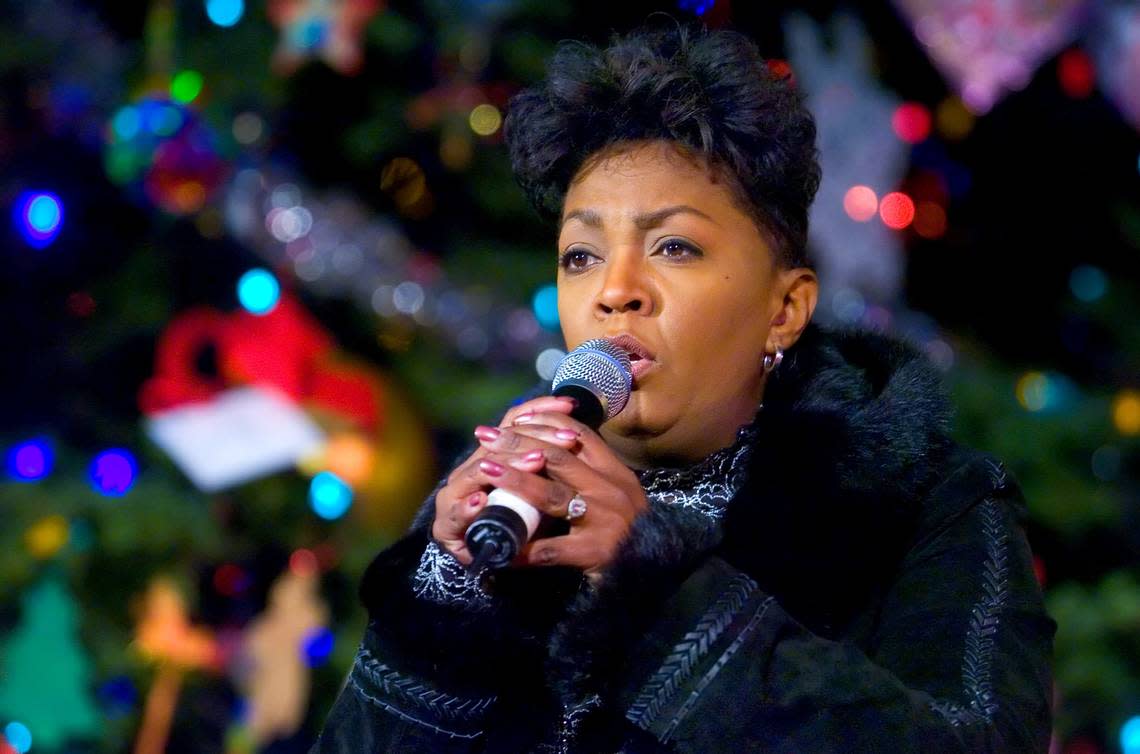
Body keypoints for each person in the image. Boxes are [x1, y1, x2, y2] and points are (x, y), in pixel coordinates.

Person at [310, 19, 1054, 754]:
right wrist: (443, 611)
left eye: (674, 246)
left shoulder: (935, 508)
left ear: (784, 309)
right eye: (580, 256)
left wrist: (660, 597)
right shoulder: (501, 507)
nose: (615, 290)